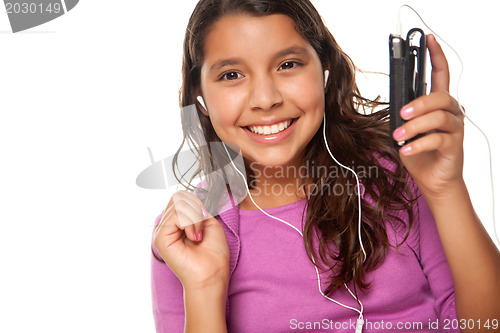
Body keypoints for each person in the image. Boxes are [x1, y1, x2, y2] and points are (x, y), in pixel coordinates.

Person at [151, 0, 500, 332]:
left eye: (287, 65)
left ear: (325, 68)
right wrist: (205, 287)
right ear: (201, 96)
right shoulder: (187, 234)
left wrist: (445, 190)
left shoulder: (395, 175)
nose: (266, 99)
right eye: (231, 75)